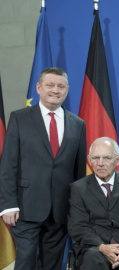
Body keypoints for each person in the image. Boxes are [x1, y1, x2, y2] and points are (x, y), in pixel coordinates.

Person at [0, 67, 87, 270]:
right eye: (50, 85)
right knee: (26, 262)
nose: (55, 90)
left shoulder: (78, 124)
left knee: (52, 264)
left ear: (66, 90)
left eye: (61, 86)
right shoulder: (19, 118)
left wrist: (77, 209)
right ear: (39, 88)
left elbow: (79, 174)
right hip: (25, 208)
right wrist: (8, 204)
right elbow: (8, 165)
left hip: (61, 210)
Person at [68, 137, 119, 269]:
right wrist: (102, 247)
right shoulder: (78, 188)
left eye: (107, 158)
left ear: (117, 160)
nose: (100, 163)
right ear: (89, 160)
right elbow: (78, 226)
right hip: (95, 247)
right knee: (91, 258)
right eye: (96, 158)